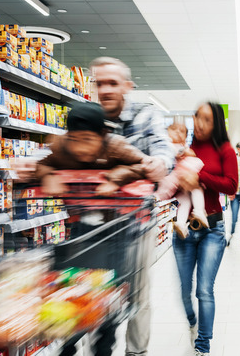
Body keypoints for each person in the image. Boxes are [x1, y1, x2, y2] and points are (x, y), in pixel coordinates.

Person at [90, 57, 175, 356]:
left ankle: (136, 352)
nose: (105, 90)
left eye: (112, 83)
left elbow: (164, 149)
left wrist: (159, 162)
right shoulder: (89, 118)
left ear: (128, 86)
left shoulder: (145, 114)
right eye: (99, 83)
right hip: (95, 225)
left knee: (138, 294)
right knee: (94, 294)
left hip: (137, 222)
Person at [173, 102, 237, 356]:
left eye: (207, 119)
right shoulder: (185, 148)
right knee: (184, 291)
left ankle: (203, 345)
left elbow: (231, 185)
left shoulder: (225, 150)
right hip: (184, 228)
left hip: (212, 227)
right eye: (197, 116)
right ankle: (192, 322)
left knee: (204, 290)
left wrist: (200, 177)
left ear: (217, 124)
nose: (199, 122)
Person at [35, 101, 151, 197]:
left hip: (117, 207)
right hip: (78, 207)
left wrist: (115, 180)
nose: (80, 148)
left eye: (87, 139)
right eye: (73, 139)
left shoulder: (115, 146)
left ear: (103, 135)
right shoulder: (61, 147)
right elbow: (41, 164)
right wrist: (48, 176)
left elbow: (143, 165)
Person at [155, 122, 209, 239]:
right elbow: (176, 153)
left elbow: (191, 153)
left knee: (185, 200)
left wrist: (186, 150)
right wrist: (182, 152)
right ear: (167, 133)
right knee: (196, 188)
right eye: (174, 130)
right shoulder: (167, 144)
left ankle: (181, 222)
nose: (178, 133)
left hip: (180, 176)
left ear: (186, 136)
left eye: (182, 131)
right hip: (176, 175)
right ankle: (199, 210)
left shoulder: (183, 145)